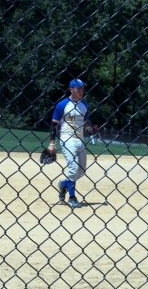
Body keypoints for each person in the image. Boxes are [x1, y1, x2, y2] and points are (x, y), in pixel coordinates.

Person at [48, 79, 93, 208]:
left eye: (82, 89)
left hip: (80, 139)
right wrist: (52, 143)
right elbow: (53, 125)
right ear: (71, 90)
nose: (81, 91)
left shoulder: (84, 105)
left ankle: (63, 184)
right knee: (73, 168)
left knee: (81, 170)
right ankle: (72, 197)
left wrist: (89, 128)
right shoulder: (62, 105)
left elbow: (86, 121)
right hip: (67, 139)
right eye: (78, 89)